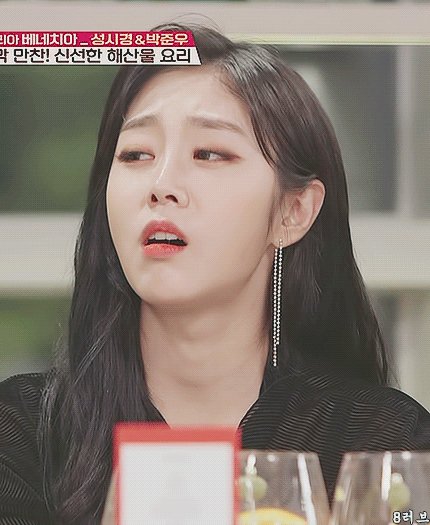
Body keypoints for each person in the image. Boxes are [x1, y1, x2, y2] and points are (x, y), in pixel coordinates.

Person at [1, 22, 430, 525]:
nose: (162, 185)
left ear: (293, 211)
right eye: (136, 154)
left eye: (209, 153)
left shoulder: (382, 445)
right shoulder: (23, 435)